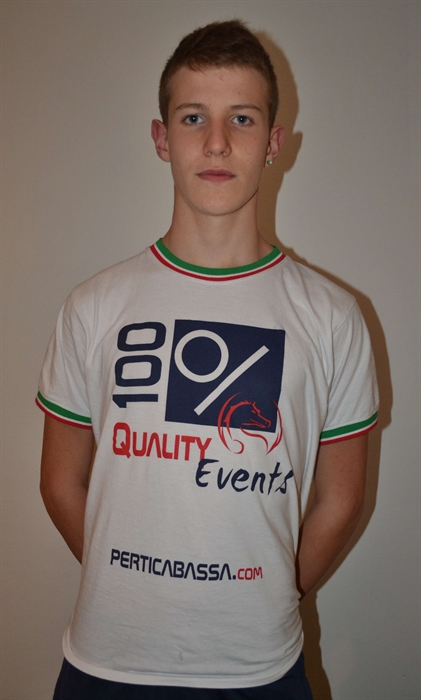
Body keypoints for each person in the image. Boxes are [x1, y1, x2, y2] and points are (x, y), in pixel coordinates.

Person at [37, 19, 379, 700]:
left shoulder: (333, 317)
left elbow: (341, 500)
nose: (216, 142)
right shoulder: (93, 306)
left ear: (274, 143)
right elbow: (59, 482)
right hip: (105, 664)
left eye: (241, 119)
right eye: (193, 117)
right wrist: (129, 589)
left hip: (259, 671)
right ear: (161, 138)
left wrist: (268, 595)